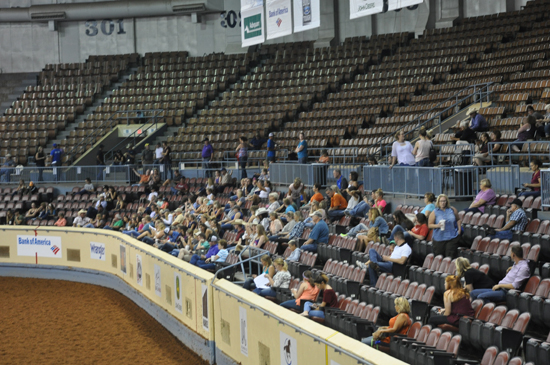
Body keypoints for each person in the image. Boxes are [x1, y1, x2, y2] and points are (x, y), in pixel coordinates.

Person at [428, 194, 461, 258]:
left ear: (447, 202)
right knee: (439, 258)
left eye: (444, 201)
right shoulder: (435, 212)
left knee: (450, 257)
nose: (443, 203)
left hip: (452, 237)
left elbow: (458, 220)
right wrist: (438, 226)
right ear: (438, 202)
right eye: (441, 201)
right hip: (439, 239)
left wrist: (459, 230)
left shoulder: (452, 210)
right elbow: (429, 225)